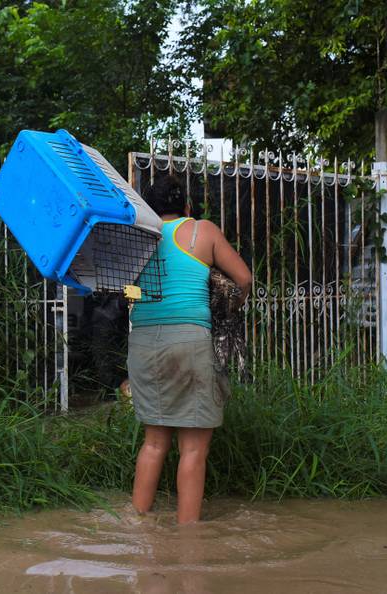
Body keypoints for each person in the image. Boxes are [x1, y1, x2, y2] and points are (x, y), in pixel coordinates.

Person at [128, 174, 251, 524]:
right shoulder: (202, 230)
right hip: (190, 341)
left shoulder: (138, 238)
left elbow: (128, 294)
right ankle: (188, 538)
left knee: (153, 443)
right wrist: (230, 307)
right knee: (193, 449)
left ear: (150, 209)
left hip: (143, 344)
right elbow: (244, 279)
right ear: (186, 207)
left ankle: (137, 524)